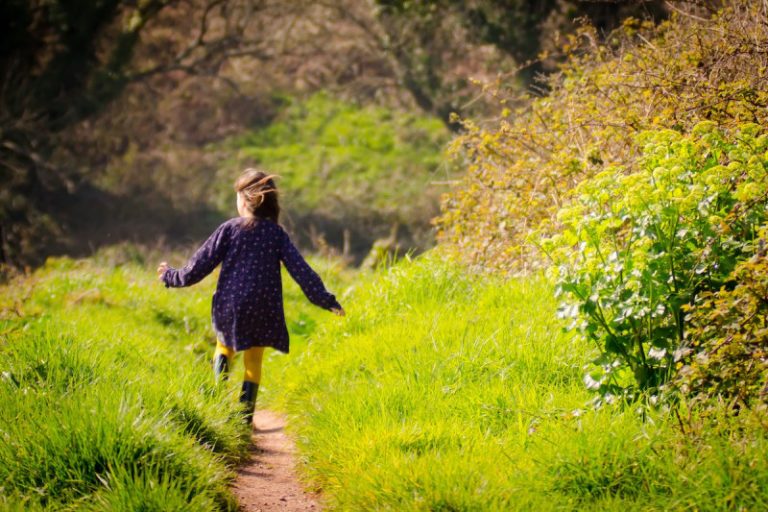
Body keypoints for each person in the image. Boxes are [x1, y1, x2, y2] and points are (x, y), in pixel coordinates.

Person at [157, 168, 345, 424]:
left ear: (245, 201)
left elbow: (197, 267)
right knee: (254, 361)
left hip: (231, 304)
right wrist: (326, 300)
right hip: (264, 308)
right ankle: (244, 421)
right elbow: (301, 271)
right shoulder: (276, 234)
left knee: (224, 347)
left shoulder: (229, 229)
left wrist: (170, 276)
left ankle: (217, 402)